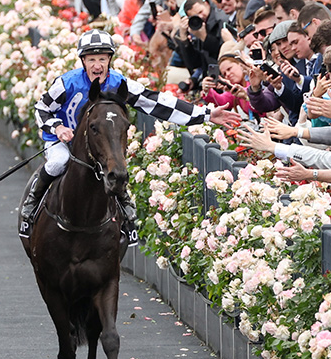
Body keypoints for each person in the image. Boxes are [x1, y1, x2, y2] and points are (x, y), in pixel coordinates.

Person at [25, 30, 241, 239]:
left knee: (115, 165)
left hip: (99, 144)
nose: (97, 66)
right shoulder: (67, 83)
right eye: (91, 60)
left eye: (102, 59)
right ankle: (32, 203)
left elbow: (158, 102)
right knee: (58, 163)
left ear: (110, 59)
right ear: (83, 61)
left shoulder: (120, 83)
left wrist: (206, 114)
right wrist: (57, 128)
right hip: (64, 141)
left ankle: (125, 208)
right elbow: (41, 108)